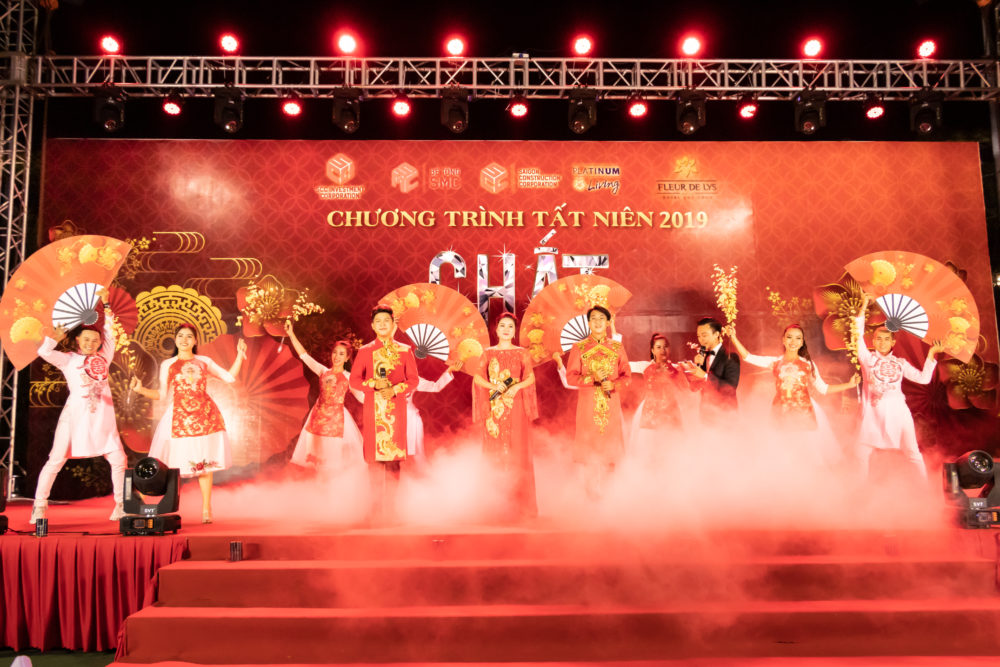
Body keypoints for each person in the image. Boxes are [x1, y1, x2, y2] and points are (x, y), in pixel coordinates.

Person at [131, 323, 247, 523]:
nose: (184, 340)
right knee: (169, 462)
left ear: (195, 341)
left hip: (204, 415)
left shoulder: (204, 361)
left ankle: (206, 509)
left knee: (204, 463)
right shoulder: (168, 364)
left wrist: (240, 355)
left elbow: (228, 378)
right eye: (180, 336)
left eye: (188, 336)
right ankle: (150, 503)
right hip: (178, 416)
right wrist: (140, 390)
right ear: (175, 340)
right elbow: (161, 395)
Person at [31, 292, 128, 524]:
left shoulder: (104, 358)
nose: (90, 343)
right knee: (55, 461)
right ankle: (39, 506)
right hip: (75, 419)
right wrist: (54, 337)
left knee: (119, 459)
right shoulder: (68, 359)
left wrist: (106, 304)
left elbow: (111, 334)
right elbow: (43, 352)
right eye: (86, 340)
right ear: (77, 340)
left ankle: (122, 505)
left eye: (95, 340)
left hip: (102, 419)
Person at [853, 293, 943, 478]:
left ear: (893, 342)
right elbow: (857, 335)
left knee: (913, 454)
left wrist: (931, 354)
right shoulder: (868, 359)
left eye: (886, 339)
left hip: (899, 414)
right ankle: (858, 490)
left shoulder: (900, 363)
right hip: (872, 413)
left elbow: (924, 379)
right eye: (878, 339)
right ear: (873, 341)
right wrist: (863, 306)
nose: (882, 342)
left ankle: (924, 490)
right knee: (861, 453)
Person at [349, 304, 419, 521]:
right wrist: (373, 384)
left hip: (396, 412)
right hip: (373, 413)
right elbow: (354, 381)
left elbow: (413, 380)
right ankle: (375, 508)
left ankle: (392, 509)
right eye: (378, 321)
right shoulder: (365, 351)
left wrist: (395, 389)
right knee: (374, 461)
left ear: (393, 324)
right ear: (372, 326)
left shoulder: (405, 350)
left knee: (394, 460)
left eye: (386, 321)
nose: (382, 325)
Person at [727, 324, 859, 430]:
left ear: (802, 342)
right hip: (780, 410)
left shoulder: (808, 364)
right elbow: (748, 357)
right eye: (789, 337)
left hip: (803, 411)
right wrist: (733, 337)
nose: (793, 341)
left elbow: (823, 389)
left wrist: (849, 384)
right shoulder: (775, 362)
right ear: (783, 340)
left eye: (798, 338)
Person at [472, 312, 538, 518]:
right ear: (496, 329)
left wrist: (516, 387)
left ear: (515, 330)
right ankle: (494, 505)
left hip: (516, 406)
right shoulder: (487, 353)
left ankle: (520, 505)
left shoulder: (522, 353)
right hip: (495, 408)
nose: (506, 329)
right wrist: (494, 386)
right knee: (495, 451)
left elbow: (530, 378)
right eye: (502, 326)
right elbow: (477, 378)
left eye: (510, 326)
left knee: (518, 450)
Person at [565, 305, 630, 496]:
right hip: (588, 408)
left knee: (610, 453)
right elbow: (570, 378)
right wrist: (592, 378)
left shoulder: (617, 347)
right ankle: (590, 495)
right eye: (593, 318)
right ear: (588, 323)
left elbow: (627, 377)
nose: (598, 322)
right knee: (590, 454)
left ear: (608, 322)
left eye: (602, 318)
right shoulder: (579, 347)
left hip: (611, 408)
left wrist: (614, 384)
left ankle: (610, 495)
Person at [284, 321, 364, 471]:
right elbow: (304, 356)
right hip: (317, 419)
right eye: (335, 352)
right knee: (315, 462)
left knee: (332, 463)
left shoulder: (348, 377)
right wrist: (291, 334)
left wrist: (383, 392)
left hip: (336, 422)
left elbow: (362, 398)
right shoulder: (323, 371)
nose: (337, 356)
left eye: (341, 354)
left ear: (347, 358)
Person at [628, 333, 688, 459]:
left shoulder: (677, 368)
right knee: (648, 453)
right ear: (652, 350)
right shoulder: (645, 366)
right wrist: (615, 337)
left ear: (669, 349)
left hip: (670, 412)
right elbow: (622, 363)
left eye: (665, 347)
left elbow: (690, 384)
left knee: (671, 453)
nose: (662, 350)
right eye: (659, 347)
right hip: (650, 413)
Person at [679, 317, 740, 424]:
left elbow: (730, 387)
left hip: (725, 415)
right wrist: (692, 371)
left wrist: (705, 376)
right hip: (706, 415)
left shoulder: (731, 356)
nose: (701, 340)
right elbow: (694, 388)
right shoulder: (704, 356)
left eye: (704, 335)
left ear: (716, 334)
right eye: (699, 336)